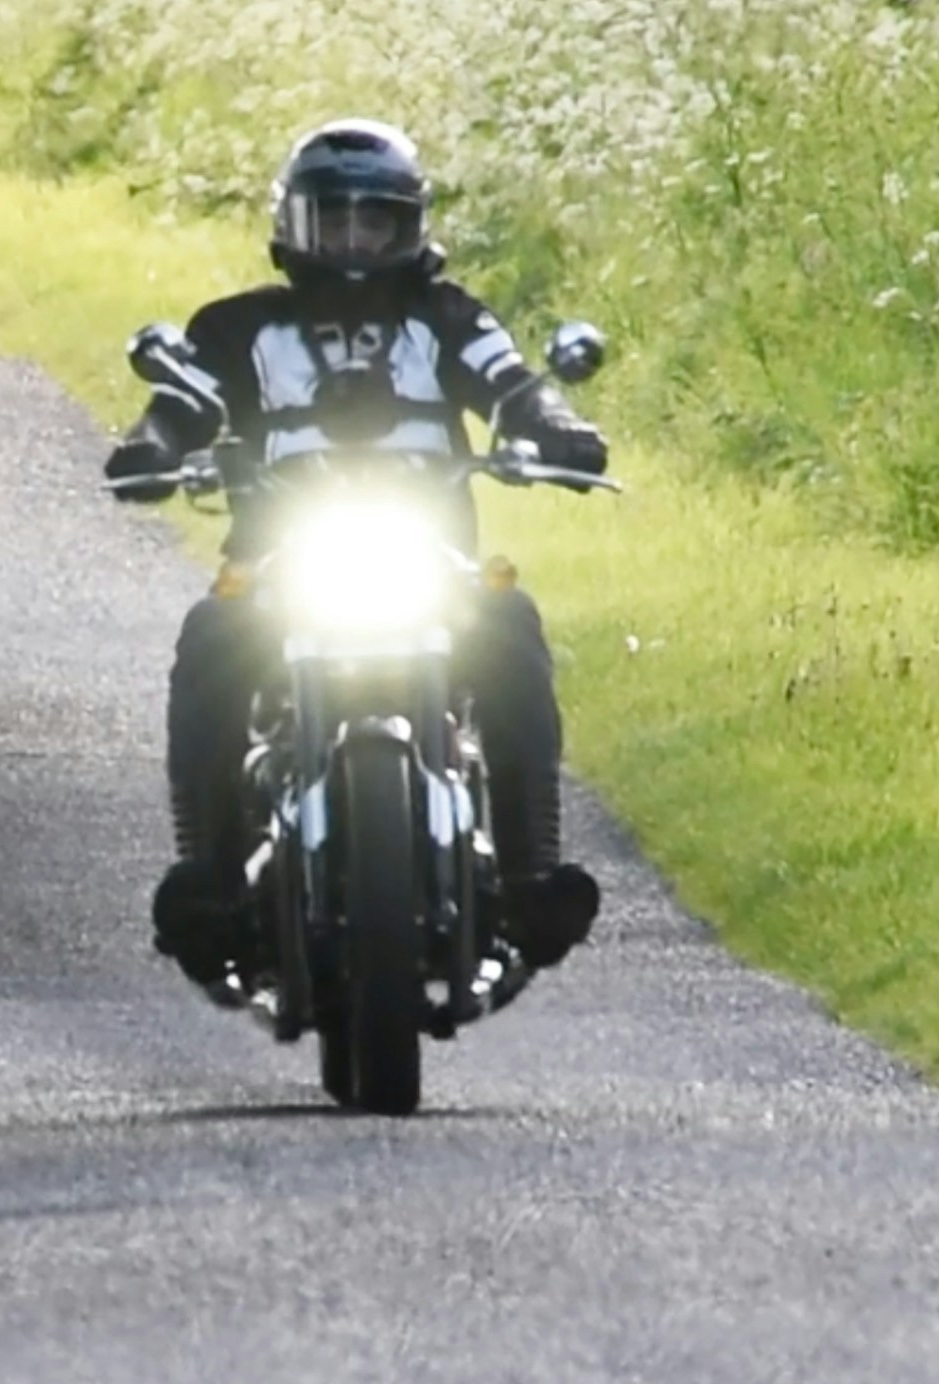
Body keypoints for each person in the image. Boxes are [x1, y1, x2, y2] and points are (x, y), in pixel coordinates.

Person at [103, 117, 607, 998]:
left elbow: (515, 386)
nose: (351, 242)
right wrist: (150, 444)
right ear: (292, 227)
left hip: (429, 555)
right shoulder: (238, 328)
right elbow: (183, 402)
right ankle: (211, 880)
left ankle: (531, 875)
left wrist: (556, 429)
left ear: (409, 228)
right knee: (210, 640)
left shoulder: (448, 319)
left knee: (512, 627)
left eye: (371, 222)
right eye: (330, 222)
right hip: (278, 560)